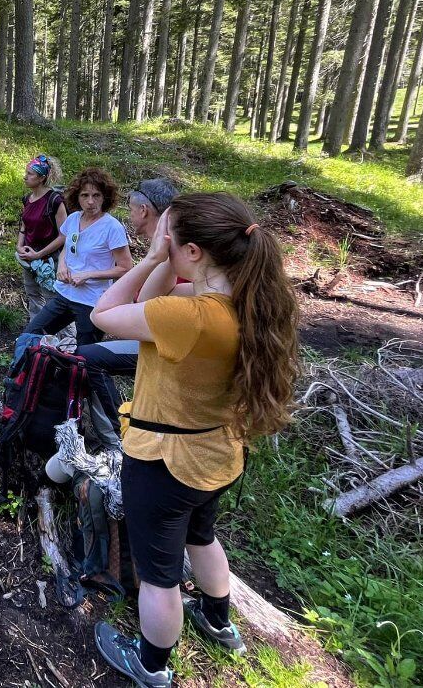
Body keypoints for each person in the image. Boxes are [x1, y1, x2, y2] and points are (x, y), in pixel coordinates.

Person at [90, 193, 299, 687]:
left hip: (164, 462)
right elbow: (149, 305)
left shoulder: (193, 316)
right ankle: (218, 621)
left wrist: (149, 257)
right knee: (201, 537)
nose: (164, 241)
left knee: (159, 575)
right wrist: (166, 258)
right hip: (217, 455)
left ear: (193, 252)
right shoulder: (245, 302)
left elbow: (107, 312)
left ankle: (151, 668)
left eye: (171, 235)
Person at [13, 167, 132, 361]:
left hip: (92, 302)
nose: (90, 201)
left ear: (106, 197)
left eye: (96, 195)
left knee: (86, 357)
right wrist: (62, 266)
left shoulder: (112, 227)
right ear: (77, 197)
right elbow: (67, 247)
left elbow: (126, 268)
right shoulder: (74, 219)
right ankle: (21, 385)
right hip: (65, 294)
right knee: (31, 335)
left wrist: (88, 275)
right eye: (85, 195)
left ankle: (82, 390)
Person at [75, 177, 180, 394]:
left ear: (143, 210)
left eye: (131, 209)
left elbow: (139, 302)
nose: (130, 215)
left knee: (86, 358)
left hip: (168, 345)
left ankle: (113, 427)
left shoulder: (170, 253)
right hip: (163, 335)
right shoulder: (171, 248)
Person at [16, 154, 67, 320]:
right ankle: (35, 334)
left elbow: (63, 235)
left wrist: (39, 254)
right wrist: (19, 246)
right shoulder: (27, 199)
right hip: (28, 258)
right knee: (33, 295)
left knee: (52, 299)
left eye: (30, 173)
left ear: (42, 177)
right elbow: (24, 226)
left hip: (49, 260)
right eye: (26, 172)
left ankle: (61, 340)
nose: (25, 176)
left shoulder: (55, 200)